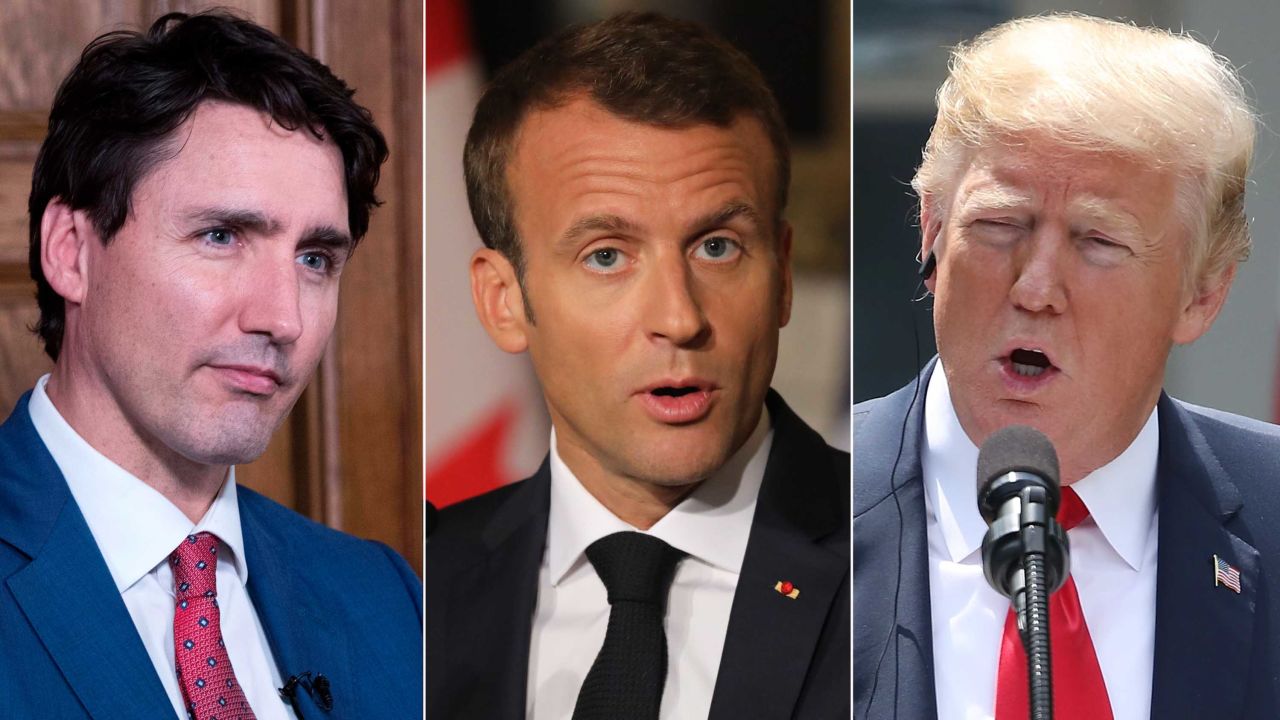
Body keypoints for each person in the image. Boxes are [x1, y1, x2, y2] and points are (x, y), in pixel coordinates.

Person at [853, 13, 1280, 720]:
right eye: (999, 225)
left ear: (1201, 293)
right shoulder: (812, 506)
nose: (1035, 287)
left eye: (1098, 241)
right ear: (931, 234)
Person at [426, 12, 849, 720]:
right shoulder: (421, 589)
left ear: (781, 279)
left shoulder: (904, 560)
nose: (680, 318)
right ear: (502, 301)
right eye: (607, 257)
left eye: (717, 246)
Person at [0, 12, 421, 720]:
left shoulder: (384, 596)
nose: (282, 318)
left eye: (315, 259)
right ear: (72, 251)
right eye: (220, 236)